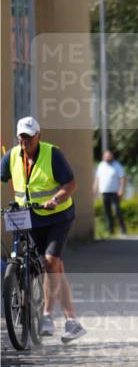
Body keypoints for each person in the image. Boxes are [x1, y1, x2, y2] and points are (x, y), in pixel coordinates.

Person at [0, 117, 86, 342]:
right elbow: (2, 177)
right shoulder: (11, 157)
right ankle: (71, 321)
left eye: (29, 136)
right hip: (29, 217)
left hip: (58, 216)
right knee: (51, 265)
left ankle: (48, 314)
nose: (25, 140)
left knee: (49, 261)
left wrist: (56, 199)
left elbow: (71, 184)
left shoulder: (52, 154)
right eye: (21, 137)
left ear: (39, 135)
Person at [94, 149, 127, 235]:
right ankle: (110, 230)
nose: (107, 157)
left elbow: (122, 177)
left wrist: (121, 189)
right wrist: (94, 189)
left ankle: (123, 229)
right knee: (107, 212)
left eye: (109, 156)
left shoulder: (117, 165)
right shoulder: (101, 165)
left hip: (114, 193)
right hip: (104, 192)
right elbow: (97, 179)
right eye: (105, 156)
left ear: (112, 156)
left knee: (117, 210)